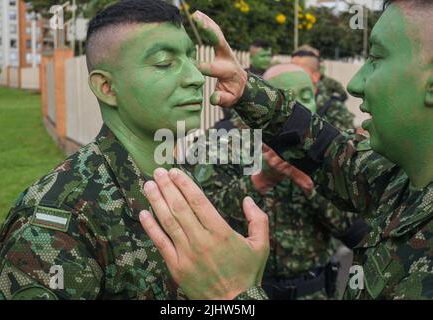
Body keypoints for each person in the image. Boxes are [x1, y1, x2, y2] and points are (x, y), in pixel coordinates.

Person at [145, 0, 433, 300]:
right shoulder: (403, 175)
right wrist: (246, 91)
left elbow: (350, 230)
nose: (355, 84)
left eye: (375, 58)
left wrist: (233, 296)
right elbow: (332, 153)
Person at [0, 0, 262, 300]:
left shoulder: (177, 179)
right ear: (107, 87)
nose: (197, 78)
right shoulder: (56, 222)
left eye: (191, 58)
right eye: (164, 63)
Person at [195, 64, 368, 299]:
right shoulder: (224, 143)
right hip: (247, 292)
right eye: (287, 100)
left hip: (314, 289)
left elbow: (354, 231)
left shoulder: (328, 151)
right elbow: (207, 218)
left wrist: (309, 182)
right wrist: (261, 180)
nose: (298, 110)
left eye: (306, 96)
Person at [291, 45, 355, 131]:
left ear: (316, 76)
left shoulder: (333, 108)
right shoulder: (287, 101)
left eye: (298, 71)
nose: (290, 74)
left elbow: (347, 140)